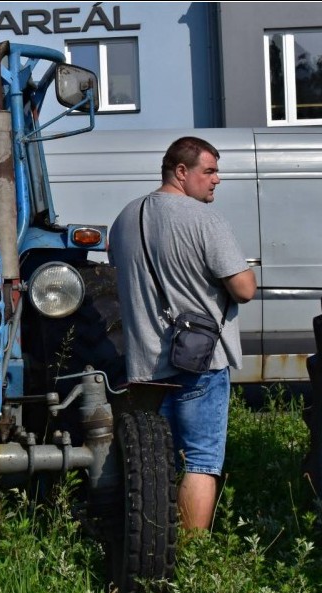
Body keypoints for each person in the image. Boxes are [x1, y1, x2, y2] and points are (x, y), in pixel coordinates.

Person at [108, 136, 256, 531]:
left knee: (157, 465)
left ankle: (154, 548)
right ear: (181, 172)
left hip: (145, 366)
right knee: (201, 462)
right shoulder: (205, 220)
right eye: (209, 171)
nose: (217, 180)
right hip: (200, 362)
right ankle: (193, 561)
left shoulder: (125, 218)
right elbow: (244, 288)